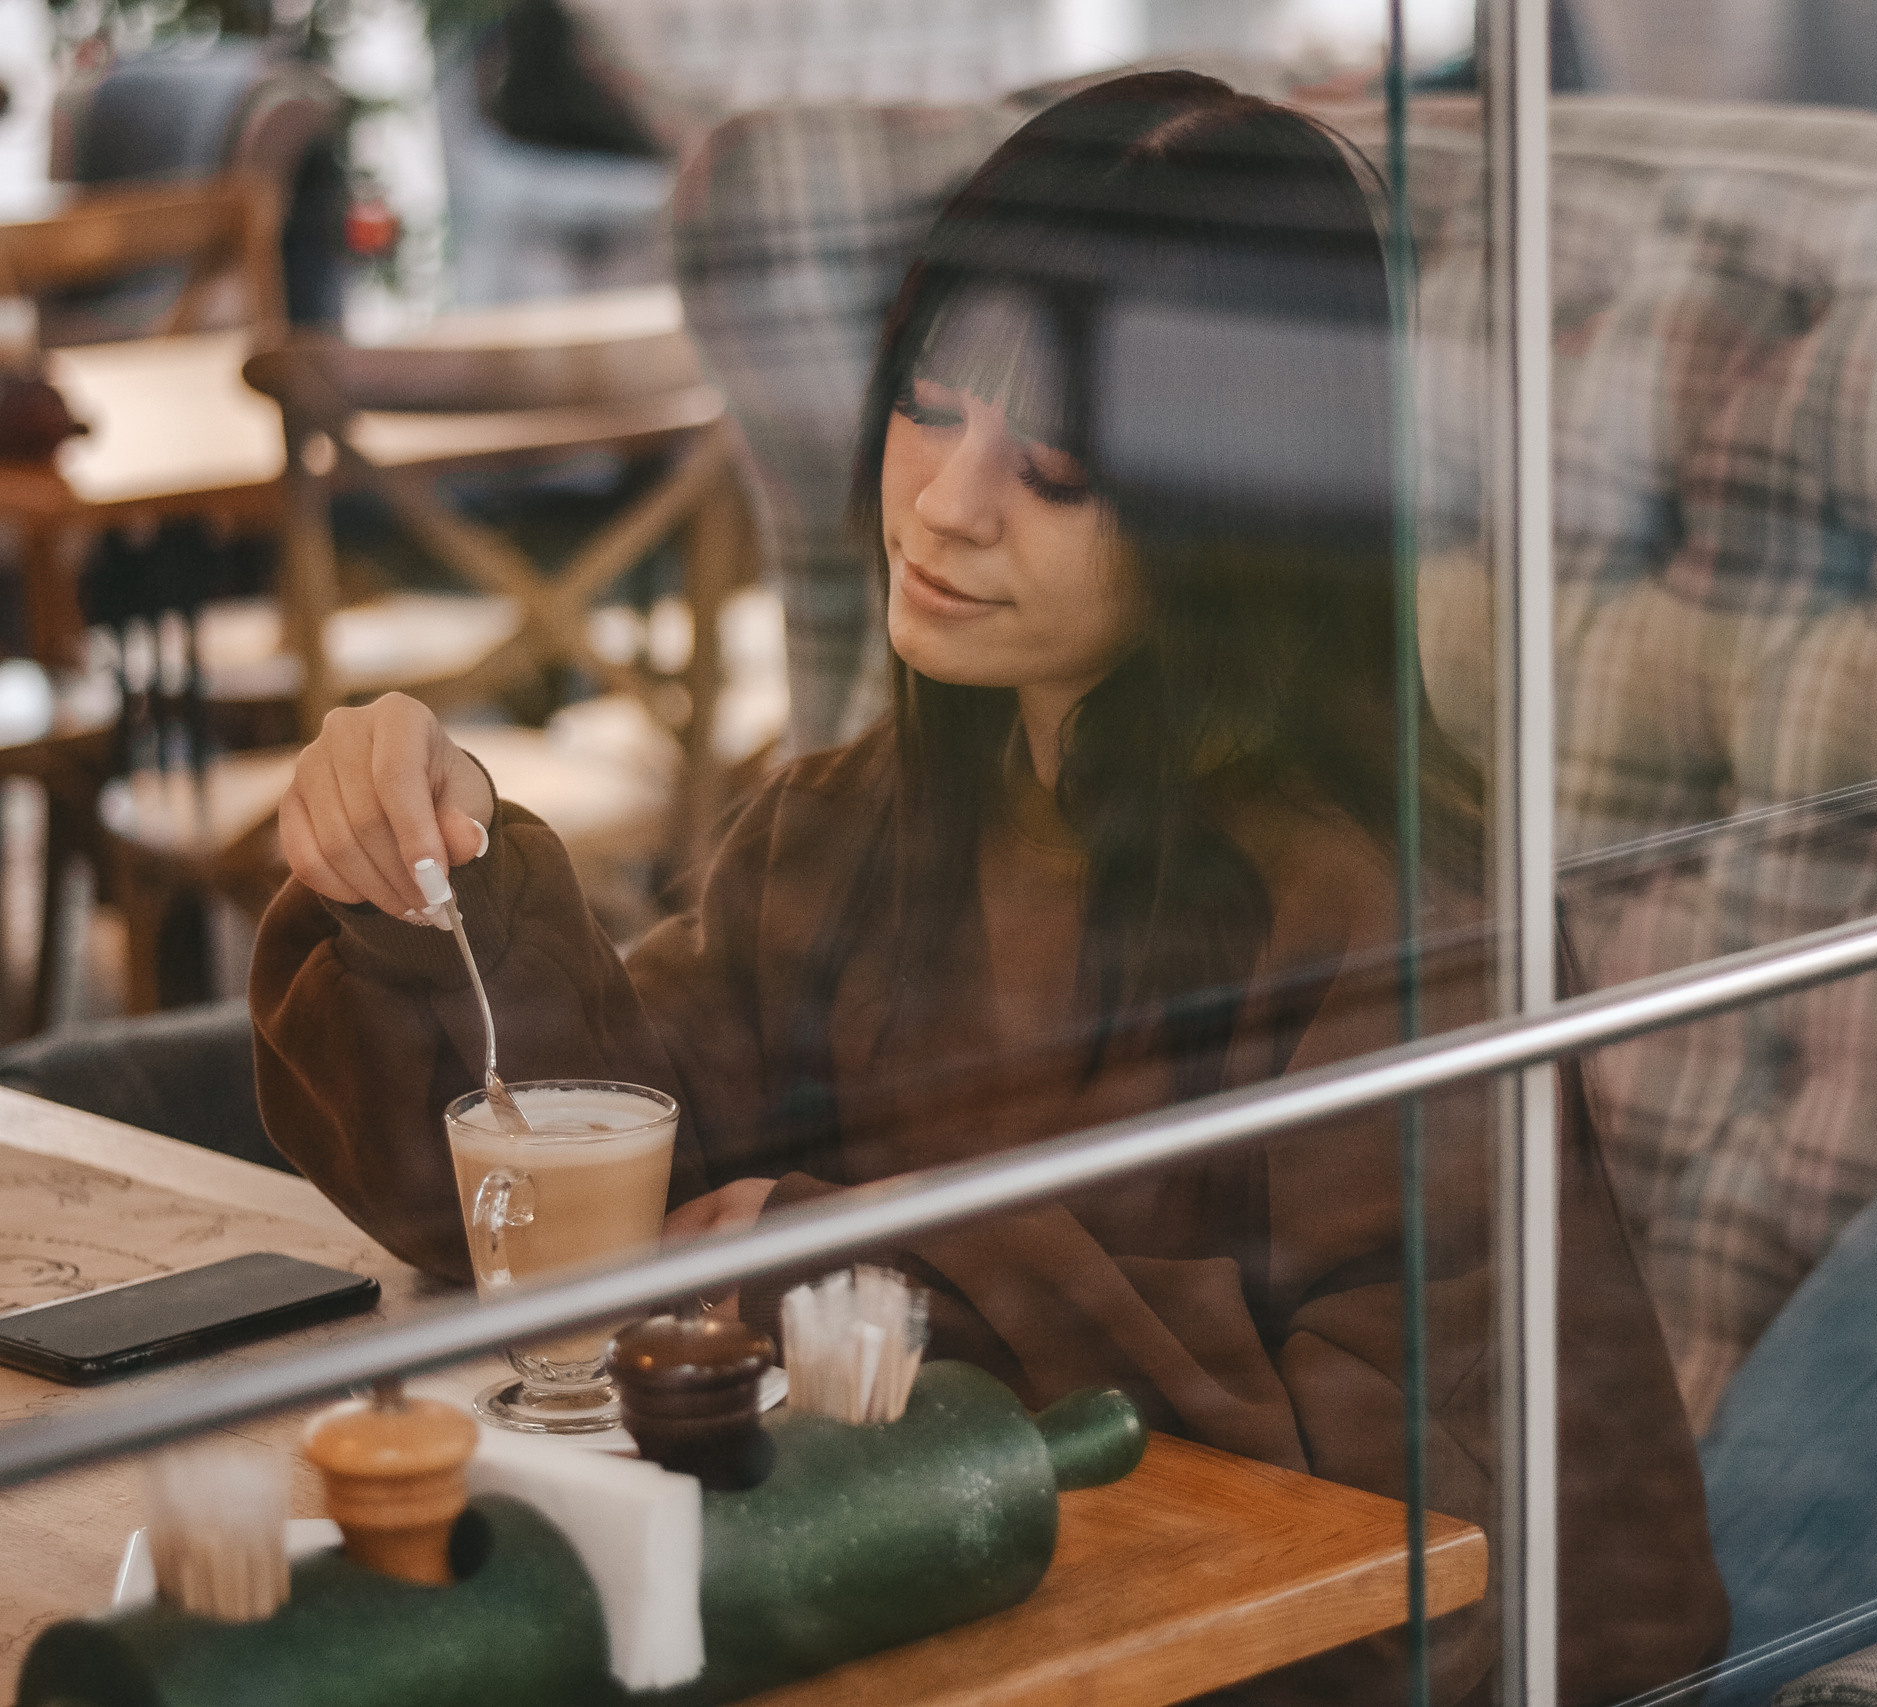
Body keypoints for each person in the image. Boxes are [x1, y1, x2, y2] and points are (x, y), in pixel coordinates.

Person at [251, 70, 1723, 1704]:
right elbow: (565, 1201)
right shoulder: (854, 828)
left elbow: (1418, 1550)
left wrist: (888, 1262)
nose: (945, 506)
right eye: (933, 405)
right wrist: (420, 878)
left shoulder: (1412, 925)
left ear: (1228, 512)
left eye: (1060, 469)